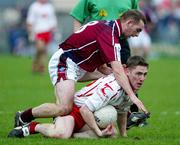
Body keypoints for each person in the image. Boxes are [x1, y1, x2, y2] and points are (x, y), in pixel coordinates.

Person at [13, 10, 147, 128]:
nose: (137, 34)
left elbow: (102, 67)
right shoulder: (109, 34)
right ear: (129, 23)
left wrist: (119, 79)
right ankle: (23, 117)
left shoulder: (109, 28)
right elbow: (118, 70)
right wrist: (132, 96)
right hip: (65, 61)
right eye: (138, 30)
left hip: (78, 65)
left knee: (111, 78)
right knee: (65, 108)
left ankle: (64, 119)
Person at [8, 56, 149, 139]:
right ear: (126, 71)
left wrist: (123, 136)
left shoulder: (131, 89)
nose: (142, 78)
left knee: (111, 134)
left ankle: (72, 133)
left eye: (144, 74)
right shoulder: (112, 87)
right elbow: (85, 110)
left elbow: (122, 112)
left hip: (90, 114)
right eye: (138, 73)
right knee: (61, 134)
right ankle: (30, 127)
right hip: (76, 110)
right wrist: (98, 132)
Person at [70, 0, 139, 81]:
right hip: (97, 45)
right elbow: (78, 16)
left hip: (120, 43)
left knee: (127, 78)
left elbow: (137, 19)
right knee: (103, 81)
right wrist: (79, 40)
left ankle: (130, 93)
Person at [26, 0, 57, 73]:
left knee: (45, 50)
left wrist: (55, 30)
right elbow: (30, 20)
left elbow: (53, 20)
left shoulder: (49, 7)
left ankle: (41, 66)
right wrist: (30, 33)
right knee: (40, 48)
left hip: (47, 31)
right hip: (38, 31)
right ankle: (36, 62)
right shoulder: (34, 6)